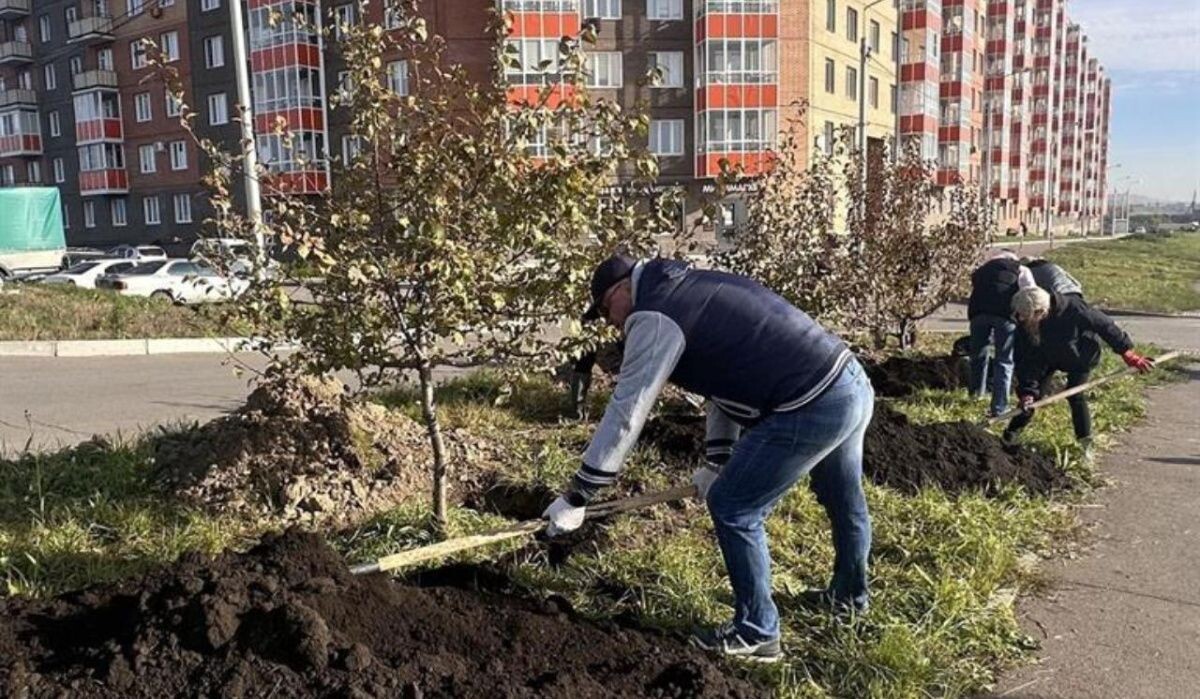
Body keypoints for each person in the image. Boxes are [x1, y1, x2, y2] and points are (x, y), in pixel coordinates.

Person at [541, 254, 875, 662]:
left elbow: (628, 411)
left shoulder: (654, 316)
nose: (611, 324)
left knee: (734, 506)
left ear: (622, 289)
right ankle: (848, 599)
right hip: (848, 381)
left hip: (810, 403)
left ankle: (757, 632)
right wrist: (716, 462)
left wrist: (580, 494)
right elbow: (723, 381)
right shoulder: (688, 287)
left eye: (606, 310)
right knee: (843, 499)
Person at [1004, 287, 1154, 454]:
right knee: (1031, 400)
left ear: (1041, 312)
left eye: (1027, 317)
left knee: (1075, 395)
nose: (1022, 320)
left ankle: (1085, 445)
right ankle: (1009, 438)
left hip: (1080, 356)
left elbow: (1106, 326)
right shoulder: (1026, 323)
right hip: (1046, 357)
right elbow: (1025, 358)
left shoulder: (1075, 310)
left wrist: (1128, 354)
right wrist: (1027, 391)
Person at [966, 251, 1036, 417]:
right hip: (1005, 317)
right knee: (1004, 361)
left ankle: (976, 395)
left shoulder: (982, 269)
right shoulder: (1021, 270)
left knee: (978, 355)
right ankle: (999, 406)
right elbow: (1030, 293)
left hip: (978, 314)